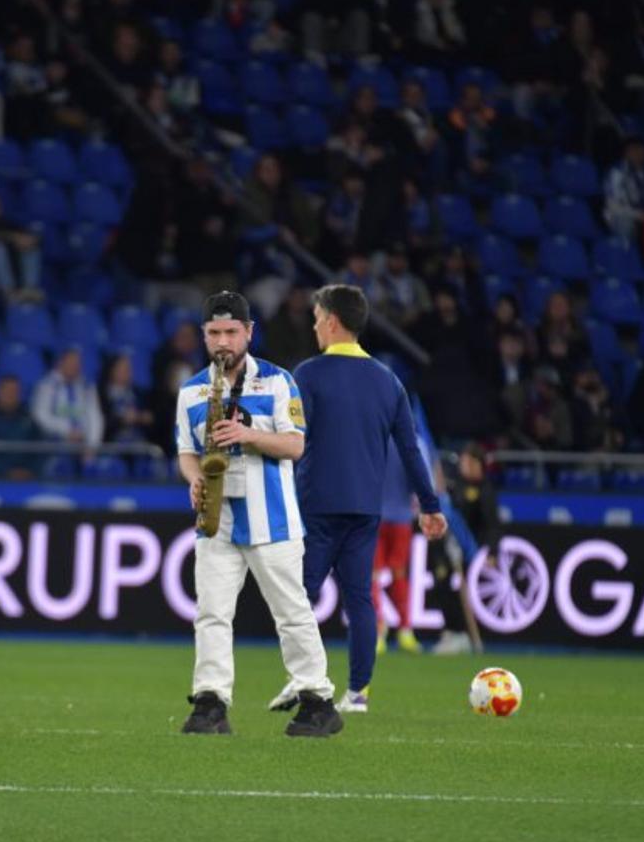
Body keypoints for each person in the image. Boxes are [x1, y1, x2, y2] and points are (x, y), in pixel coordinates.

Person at [175, 291, 341, 737]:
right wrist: (193, 478)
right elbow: (186, 453)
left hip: (274, 519)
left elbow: (296, 445)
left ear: (249, 332)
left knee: (291, 611)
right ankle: (210, 702)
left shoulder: (279, 381)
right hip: (217, 517)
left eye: (231, 332)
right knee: (210, 612)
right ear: (204, 336)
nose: (223, 341)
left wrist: (246, 435)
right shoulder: (191, 390)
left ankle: (317, 699)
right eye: (214, 333)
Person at [282, 284, 446, 715]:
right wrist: (430, 506)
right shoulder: (388, 381)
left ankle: (305, 680)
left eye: (318, 318)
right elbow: (412, 451)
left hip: (317, 505)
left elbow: (294, 441)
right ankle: (357, 694)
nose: (315, 325)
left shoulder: (309, 374)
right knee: (360, 598)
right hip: (365, 508)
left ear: (333, 321)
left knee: (299, 596)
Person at [434, 442, 499, 654]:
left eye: (470, 461)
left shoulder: (485, 491)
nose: (465, 465)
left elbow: (491, 524)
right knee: (442, 584)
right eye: (463, 460)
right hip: (447, 547)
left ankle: (464, 633)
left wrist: (491, 551)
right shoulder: (453, 487)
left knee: (463, 590)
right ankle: (451, 631)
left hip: (472, 552)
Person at [372, 436, 421, 655]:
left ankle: (379, 632)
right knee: (398, 574)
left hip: (375, 516)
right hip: (400, 516)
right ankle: (405, 630)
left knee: (373, 576)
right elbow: (419, 477)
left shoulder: (372, 436)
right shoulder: (411, 440)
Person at [30, 346, 104, 450]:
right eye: (71, 363)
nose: (74, 367)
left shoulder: (87, 387)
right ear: (61, 363)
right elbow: (40, 416)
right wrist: (66, 431)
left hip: (83, 445)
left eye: (77, 364)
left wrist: (92, 445)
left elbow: (94, 416)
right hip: (55, 444)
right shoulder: (47, 386)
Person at [0, 375, 42, 479]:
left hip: (27, 479)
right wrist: (6, 471)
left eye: (15, 391)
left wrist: (29, 470)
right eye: (7, 390)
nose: (11, 394)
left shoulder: (29, 418)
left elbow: (39, 448)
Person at [603, 137, 644, 242]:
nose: (637, 153)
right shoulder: (616, 173)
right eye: (633, 150)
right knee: (624, 222)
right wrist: (638, 215)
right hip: (624, 215)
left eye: (640, 149)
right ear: (626, 153)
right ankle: (625, 253)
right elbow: (613, 205)